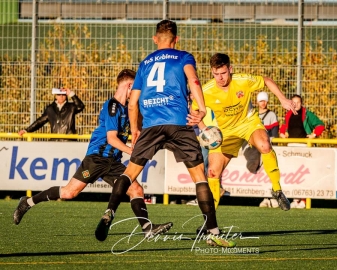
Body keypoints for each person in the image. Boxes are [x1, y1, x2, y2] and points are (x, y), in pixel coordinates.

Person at [96, 20, 236, 248]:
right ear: (176, 39)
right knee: (200, 177)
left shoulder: (144, 64)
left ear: (155, 39)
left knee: (130, 173)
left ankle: (109, 212)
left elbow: (133, 103)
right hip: (179, 123)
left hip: (151, 125)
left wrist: (135, 129)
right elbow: (193, 80)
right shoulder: (183, 57)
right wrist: (201, 110)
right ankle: (213, 232)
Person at [13, 69, 171, 241]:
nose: (137, 95)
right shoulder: (112, 106)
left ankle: (147, 229)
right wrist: (134, 152)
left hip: (113, 161)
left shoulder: (128, 109)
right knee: (68, 193)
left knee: (136, 189)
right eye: (137, 90)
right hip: (97, 158)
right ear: (129, 86)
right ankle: (27, 202)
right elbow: (111, 139)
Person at [192, 53, 297, 211]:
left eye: (223, 73)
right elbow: (194, 112)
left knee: (264, 145)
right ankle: (210, 223)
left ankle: (277, 190)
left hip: (248, 123)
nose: (220, 77)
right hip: (224, 133)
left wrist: (282, 99)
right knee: (213, 172)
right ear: (212, 72)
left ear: (230, 69)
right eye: (216, 74)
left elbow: (266, 80)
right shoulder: (206, 90)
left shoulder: (242, 80)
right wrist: (204, 129)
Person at [280, 94, 325, 208]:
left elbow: (320, 125)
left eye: (298, 102)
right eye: (293, 102)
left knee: (304, 173)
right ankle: (296, 199)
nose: (295, 104)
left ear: (301, 103)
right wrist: (282, 132)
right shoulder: (288, 114)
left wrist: (314, 135)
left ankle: (304, 200)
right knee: (294, 173)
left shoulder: (307, 114)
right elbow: (284, 126)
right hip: (291, 146)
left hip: (304, 146)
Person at [18, 88, 85, 141]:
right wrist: (26, 130)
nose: (61, 96)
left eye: (63, 94)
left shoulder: (71, 107)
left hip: (69, 141)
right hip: (55, 142)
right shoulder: (50, 109)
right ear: (55, 96)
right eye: (59, 94)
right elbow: (40, 121)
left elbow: (80, 106)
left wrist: (71, 94)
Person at [253, 91, 280, 208]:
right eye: (261, 100)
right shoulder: (253, 114)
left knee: (269, 172)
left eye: (264, 100)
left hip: (266, 148)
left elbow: (274, 133)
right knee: (260, 173)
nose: (263, 103)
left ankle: (272, 197)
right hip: (255, 148)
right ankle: (265, 197)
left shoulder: (271, 115)